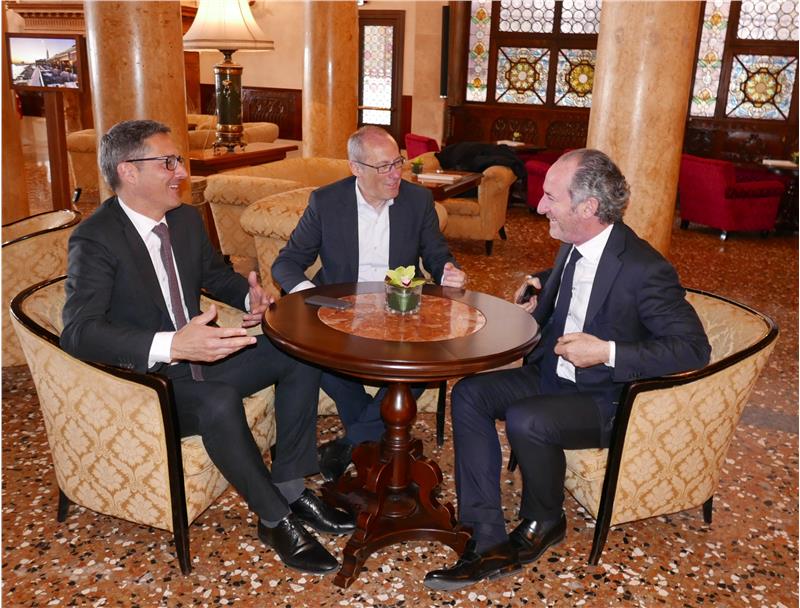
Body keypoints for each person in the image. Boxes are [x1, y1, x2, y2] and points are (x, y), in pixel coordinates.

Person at [60, 119, 355, 576]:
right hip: (149, 379)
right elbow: (78, 332)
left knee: (296, 348)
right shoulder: (96, 237)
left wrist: (249, 298)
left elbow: (213, 275)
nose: (181, 172)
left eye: (178, 160)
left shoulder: (183, 219)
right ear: (129, 171)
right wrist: (173, 344)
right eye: (168, 162)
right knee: (216, 400)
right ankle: (274, 518)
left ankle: (291, 486)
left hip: (203, 355)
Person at [423, 149, 712, 591]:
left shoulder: (645, 269)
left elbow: (693, 348)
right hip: (553, 374)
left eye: (551, 197)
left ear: (588, 207)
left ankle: (546, 520)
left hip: (605, 398)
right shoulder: (574, 244)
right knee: (469, 393)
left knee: (527, 418)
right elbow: (579, 279)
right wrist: (541, 285)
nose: (540, 206)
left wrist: (607, 351)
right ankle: (485, 533)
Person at [272, 125, 467, 482]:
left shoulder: (418, 201)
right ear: (356, 168)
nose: (395, 174)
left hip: (400, 313)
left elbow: (437, 255)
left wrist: (448, 271)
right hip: (340, 314)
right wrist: (311, 297)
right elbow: (286, 263)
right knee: (316, 360)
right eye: (383, 167)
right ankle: (374, 438)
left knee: (421, 367)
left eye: (398, 163)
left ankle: (351, 445)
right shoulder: (326, 202)